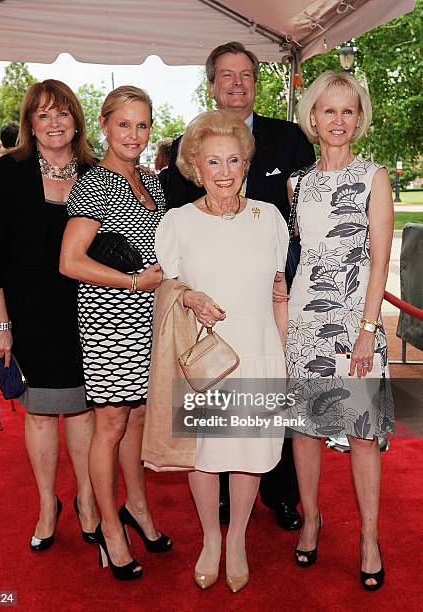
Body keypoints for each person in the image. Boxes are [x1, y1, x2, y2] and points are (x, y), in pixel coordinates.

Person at [165, 41, 316, 531]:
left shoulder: (288, 139)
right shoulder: (189, 155)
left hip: (267, 305)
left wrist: (286, 317)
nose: (236, 83)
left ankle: (280, 498)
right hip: (207, 331)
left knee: (264, 431)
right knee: (208, 439)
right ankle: (218, 524)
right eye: (225, 75)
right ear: (211, 84)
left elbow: (303, 219)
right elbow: (167, 271)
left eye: (246, 74)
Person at [154, 109, 289, 592]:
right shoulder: (176, 222)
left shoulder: (268, 217)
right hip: (204, 358)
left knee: (250, 454)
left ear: (246, 163)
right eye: (213, 161)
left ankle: (237, 542)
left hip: (258, 348)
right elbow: (167, 287)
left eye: (234, 160)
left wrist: (285, 354)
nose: (225, 171)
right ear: (194, 165)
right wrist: (189, 296)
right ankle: (211, 538)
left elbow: (279, 292)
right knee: (204, 455)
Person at [280, 70, 394, 591]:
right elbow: (299, 259)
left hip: (355, 322)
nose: (339, 120)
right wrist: (285, 325)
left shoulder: (375, 177)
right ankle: (311, 520)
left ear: (359, 118)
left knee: (362, 432)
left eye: (348, 111)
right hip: (306, 319)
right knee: (304, 430)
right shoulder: (296, 183)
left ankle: (369, 537)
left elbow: (377, 262)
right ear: (313, 117)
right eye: (329, 110)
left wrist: (369, 329)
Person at [0, 79, 99, 553]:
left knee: (86, 412)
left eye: (62, 113)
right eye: (43, 115)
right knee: (44, 413)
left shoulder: (96, 172)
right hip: (30, 314)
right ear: (30, 123)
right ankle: (49, 505)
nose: (54, 123)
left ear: (76, 120)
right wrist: (1, 323)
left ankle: (88, 500)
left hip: (93, 311)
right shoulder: (8, 173)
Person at [60, 85, 172, 581]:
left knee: (137, 420)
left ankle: (140, 509)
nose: (134, 134)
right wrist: (131, 280)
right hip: (111, 320)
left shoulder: (152, 180)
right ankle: (110, 528)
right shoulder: (94, 185)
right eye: (124, 124)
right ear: (103, 125)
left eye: (143, 124)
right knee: (110, 425)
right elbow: (69, 261)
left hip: (151, 317)